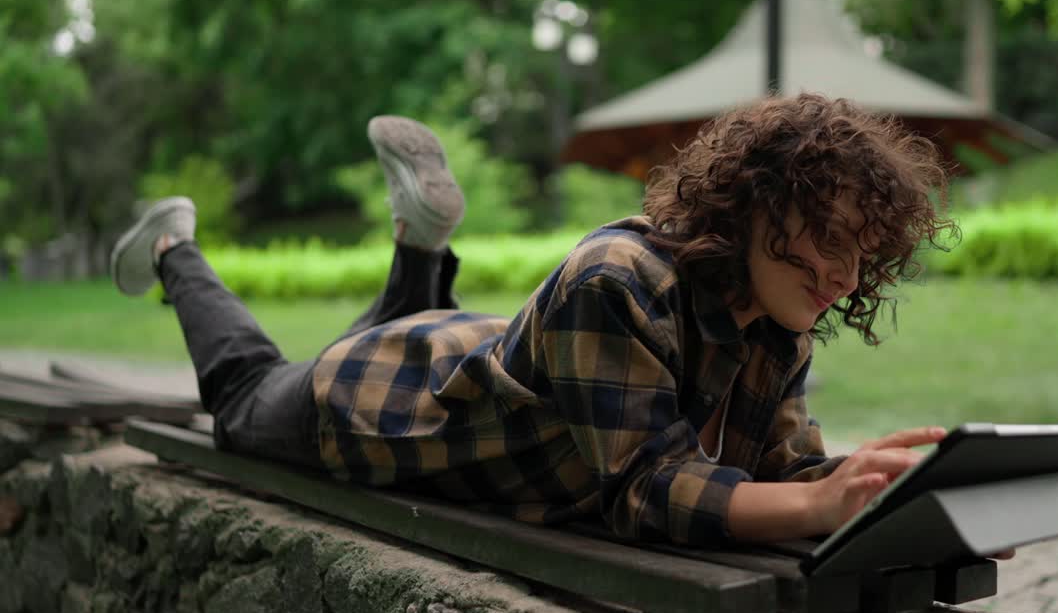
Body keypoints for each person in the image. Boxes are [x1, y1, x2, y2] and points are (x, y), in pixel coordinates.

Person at [110, 93, 958, 548]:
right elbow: (642, 489)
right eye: (830, 238)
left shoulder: (777, 316)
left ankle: (419, 244)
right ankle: (174, 247)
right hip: (377, 403)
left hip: (453, 357)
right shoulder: (619, 280)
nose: (847, 275)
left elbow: (779, 477)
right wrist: (813, 510)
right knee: (241, 393)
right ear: (758, 201)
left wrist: (897, 504)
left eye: (866, 250)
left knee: (357, 343)